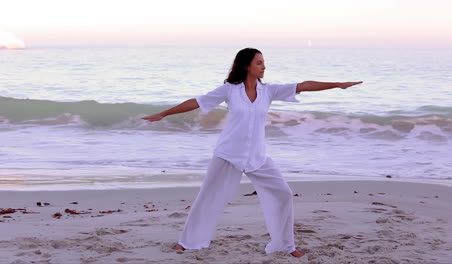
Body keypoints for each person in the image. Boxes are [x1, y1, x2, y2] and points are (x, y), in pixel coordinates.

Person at [143, 48, 362, 258]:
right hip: (228, 154)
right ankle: (187, 242)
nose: (264, 67)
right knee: (208, 198)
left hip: (257, 157)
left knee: (283, 194)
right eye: (259, 63)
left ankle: (285, 245)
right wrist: (164, 113)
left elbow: (302, 85)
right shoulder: (229, 89)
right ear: (247, 66)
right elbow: (197, 102)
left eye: (264, 63)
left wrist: (337, 85)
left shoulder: (268, 91)